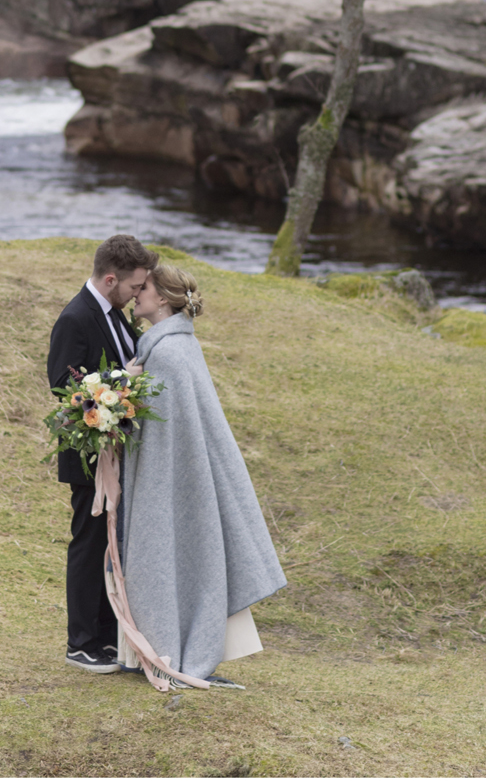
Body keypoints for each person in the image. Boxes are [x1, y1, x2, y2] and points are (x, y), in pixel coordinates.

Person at [113, 262, 286, 688]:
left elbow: (170, 436)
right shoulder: (171, 346)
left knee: (166, 554)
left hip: (170, 484)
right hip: (173, 479)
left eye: (145, 288)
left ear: (165, 299)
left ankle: (168, 646)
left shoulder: (169, 353)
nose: (137, 293)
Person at [45, 233, 153, 674]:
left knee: (112, 545)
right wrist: (118, 384)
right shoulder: (75, 319)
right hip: (89, 453)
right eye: (134, 287)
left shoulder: (116, 315)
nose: (137, 294)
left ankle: (108, 635)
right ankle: (82, 642)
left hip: (116, 450)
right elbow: (64, 387)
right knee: (89, 544)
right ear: (111, 279)